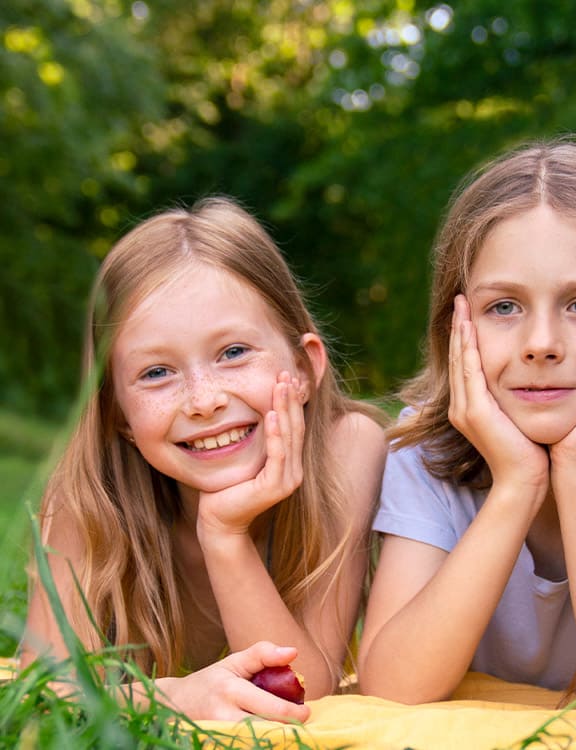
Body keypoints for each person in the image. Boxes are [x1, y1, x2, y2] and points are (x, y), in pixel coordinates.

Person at [356, 138, 576, 703]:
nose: (541, 344)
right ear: (456, 328)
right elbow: (395, 688)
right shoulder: (424, 456)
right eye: (504, 307)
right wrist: (518, 483)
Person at [21, 197, 387, 722]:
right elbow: (40, 694)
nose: (203, 399)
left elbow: (306, 687)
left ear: (305, 367)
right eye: (155, 373)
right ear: (117, 414)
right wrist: (172, 698)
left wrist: (224, 534)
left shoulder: (348, 448)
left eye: (234, 352)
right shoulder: (88, 492)